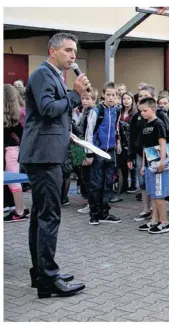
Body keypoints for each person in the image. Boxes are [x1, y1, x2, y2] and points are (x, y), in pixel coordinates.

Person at [19, 32, 86, 298]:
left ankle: (41, 273)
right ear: (52, 51)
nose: (73, 56)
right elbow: (47, 109)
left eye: (75, 51)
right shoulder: (43, 74)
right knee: (49, 217)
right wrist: (75, 95)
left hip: (47, 153)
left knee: (40, 216)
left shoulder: (52, 75)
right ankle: (48, 278)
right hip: (44, 156)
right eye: (68, 50)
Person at [84, 82, 123, 225]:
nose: (111, 97)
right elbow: (89, 132)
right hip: (98, 152)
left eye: (114, 95)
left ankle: (104, 213)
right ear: (103, 95)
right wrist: (89, 153)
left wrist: (118, 141)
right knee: (96, 184)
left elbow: (116, 127)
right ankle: (94, 214)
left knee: (108, 184)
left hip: (111, 151)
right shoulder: (96, 111)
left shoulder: (117, 110)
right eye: (108, 94)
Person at [137, 97, 169, 234]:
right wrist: (143, 165)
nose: (142, 113)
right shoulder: (145, 125)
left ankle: (165, 222)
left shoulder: (159, 124)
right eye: (141, 111)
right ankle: (154, 221)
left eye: (145, 111)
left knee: (159, 195)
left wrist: (162, 161)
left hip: (159, 164)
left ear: (153, 109)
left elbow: (163, 143)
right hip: (149, 164)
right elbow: (146, 147)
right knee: (153, 194)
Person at [4, 84, 29, 223]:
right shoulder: (20, 113)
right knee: (13, 181)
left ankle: (20, 212)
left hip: (12, 150)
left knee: (13, 182)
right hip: (16, 149)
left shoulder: (11, 116)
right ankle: (22, 208)